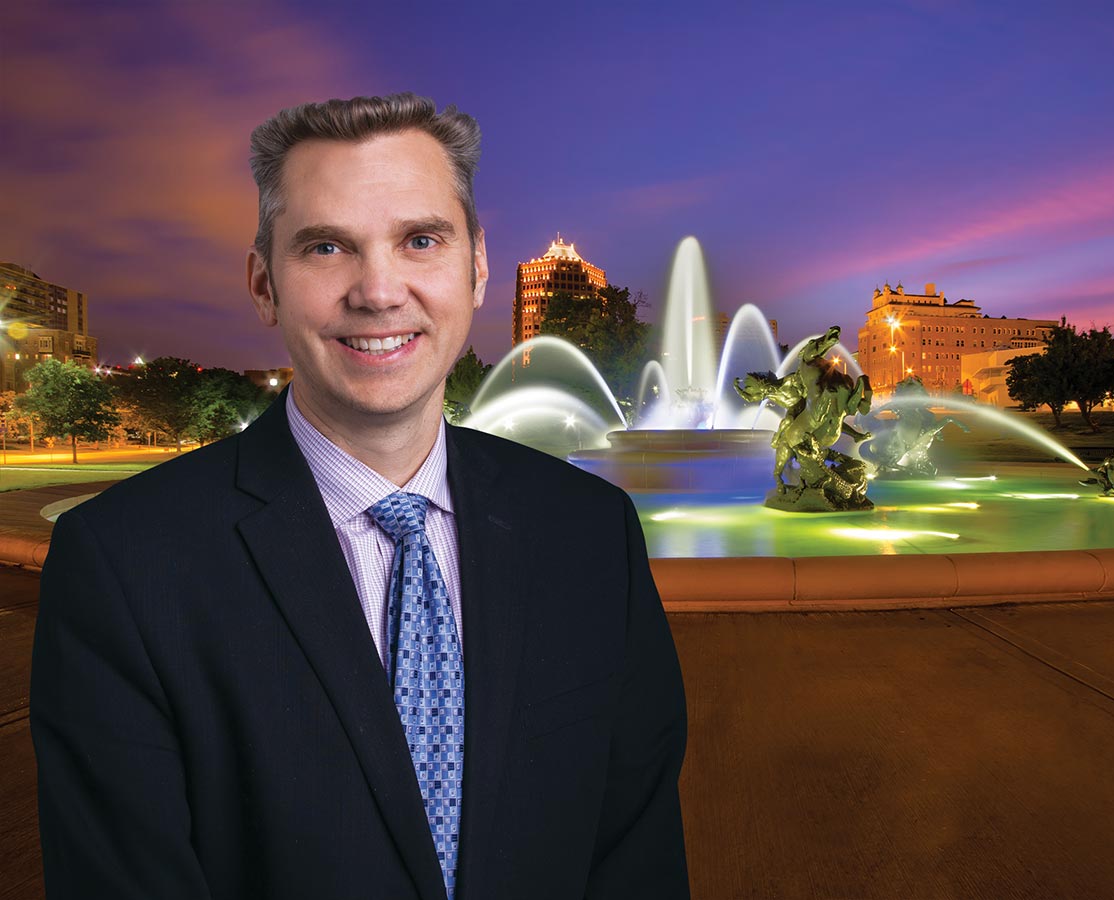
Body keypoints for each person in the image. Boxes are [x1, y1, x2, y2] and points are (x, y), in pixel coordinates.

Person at [30, 93, 689, 899]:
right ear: (264, 284)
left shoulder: (591, 533)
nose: (379, 291)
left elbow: (635, 857)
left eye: (419, 240)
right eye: (327, 247)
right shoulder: (124, 566)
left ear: (477, 267)